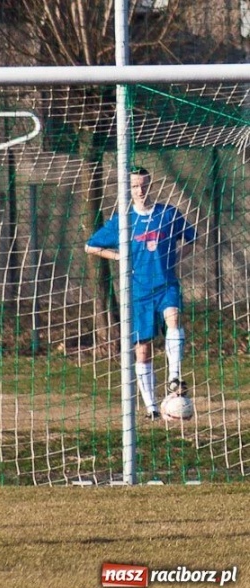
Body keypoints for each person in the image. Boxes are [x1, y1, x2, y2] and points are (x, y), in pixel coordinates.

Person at [85, 167, 197, 420]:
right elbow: (90, 246)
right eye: (135, 186)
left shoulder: (168, 214)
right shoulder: (123, 221)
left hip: (166, 284)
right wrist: (119, 257)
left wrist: (175, 259)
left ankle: (174, 377)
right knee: (142, 349)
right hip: (138, 292)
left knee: (174, 318)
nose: (140, 190)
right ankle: (152, 408)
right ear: (129, 188)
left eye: (144, 185)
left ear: (151, 185)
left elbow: (192, 239)